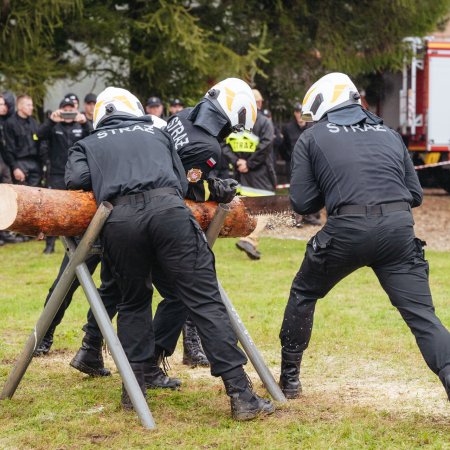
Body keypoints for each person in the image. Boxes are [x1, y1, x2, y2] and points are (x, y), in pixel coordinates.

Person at [65, 86, 274, 420]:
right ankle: (240, 394)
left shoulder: (86, 143)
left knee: (132, 303)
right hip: (169, 213)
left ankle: (133, 392)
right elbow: (179, 179)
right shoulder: (155, 131)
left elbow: (77, 179)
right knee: (204, 301)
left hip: (120, 222)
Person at [278, 72, 450, 403]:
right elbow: (416, 195)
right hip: (399, 230)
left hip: (347, 230)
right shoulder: (389, 133)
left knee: (303, 292)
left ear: (323, 105)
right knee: (424, 318)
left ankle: (290, 380)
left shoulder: (312, 138)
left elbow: (301, 203)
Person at [223, 88, 277, 260]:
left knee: (249, 209)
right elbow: (267, 145)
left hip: (239, 174)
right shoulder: (264, 123)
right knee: (266, 209)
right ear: (259, 103)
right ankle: (249, 239)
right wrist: (249, 163)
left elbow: (222, 143)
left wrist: (236, 161)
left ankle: (250, 242)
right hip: (259, 174)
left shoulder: (233, 123)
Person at [37, 96, 91, 254]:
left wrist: (85, 123)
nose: (68, 113)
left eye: (71, 111)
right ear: (60, 110)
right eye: (65, 111)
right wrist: (51, 121)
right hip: (57, 173)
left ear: (76, 110)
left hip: (76, 174)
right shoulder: (54, 126)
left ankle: (79, 242)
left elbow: (95, 136)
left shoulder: (81, 126)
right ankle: (50, 244)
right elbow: (38, 136)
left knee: (77, 208)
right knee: (52, 209)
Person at [280, 102, 321, 227]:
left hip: (310, 163)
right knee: (294, 190)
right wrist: (289, 158)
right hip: (293, 164)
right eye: (297, 112)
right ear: (295, 113)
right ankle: (296, 218)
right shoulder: (288, 128)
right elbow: (283, 147)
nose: (299, 115)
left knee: (312, 188)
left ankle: (311, 216)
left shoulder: (313, 127)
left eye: (301, 112)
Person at [3, 94, 44, 188]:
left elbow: (40, 142)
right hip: (20, 163)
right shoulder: (10, 123)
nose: (32, 108)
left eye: (32, 105)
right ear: (20, 106)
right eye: (28, 105)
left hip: (35, 163)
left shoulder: (33, 122)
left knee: (36, 196)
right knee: (21, 197)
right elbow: (8, 148)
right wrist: (15, 167)